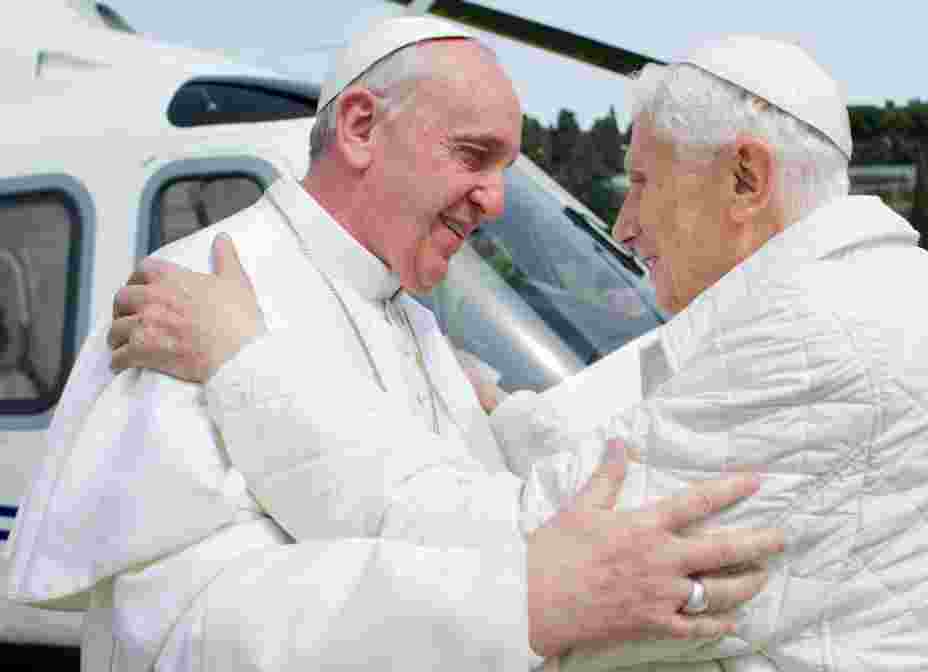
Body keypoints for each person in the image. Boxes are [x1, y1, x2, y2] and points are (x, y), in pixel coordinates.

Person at [107, 34, 928, 670]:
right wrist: (499, 411)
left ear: (746, 179)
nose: (624, 222)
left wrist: (243, 364)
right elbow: (649, 408)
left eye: (643, 183)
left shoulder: (816, 342)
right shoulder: (860, 292)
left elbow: (516, 554)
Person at [4, 17, 784, 672]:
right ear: (360, 127)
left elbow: (444, 511)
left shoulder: (409, 315)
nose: (496, 200)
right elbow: (176, 632)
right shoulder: (191, 293)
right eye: (474, 157)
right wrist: (524, 605)